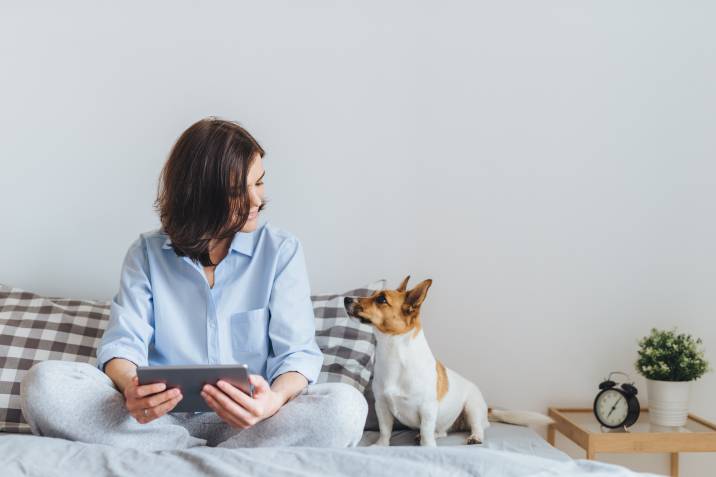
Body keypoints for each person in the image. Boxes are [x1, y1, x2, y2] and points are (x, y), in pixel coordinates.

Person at [20, 117, 367, 450]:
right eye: (237, 191)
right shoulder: (146, 254)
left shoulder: (281, 251)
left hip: (253, 423)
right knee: (44, 384)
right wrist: (132, 388)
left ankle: (178, 457)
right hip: (156, 421)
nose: (257, 200)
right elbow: (123, 346)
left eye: (259, 182)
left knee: (346, 407)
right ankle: (205, 455)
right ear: (198, 195)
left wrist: (272, 401)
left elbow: (298, 355)